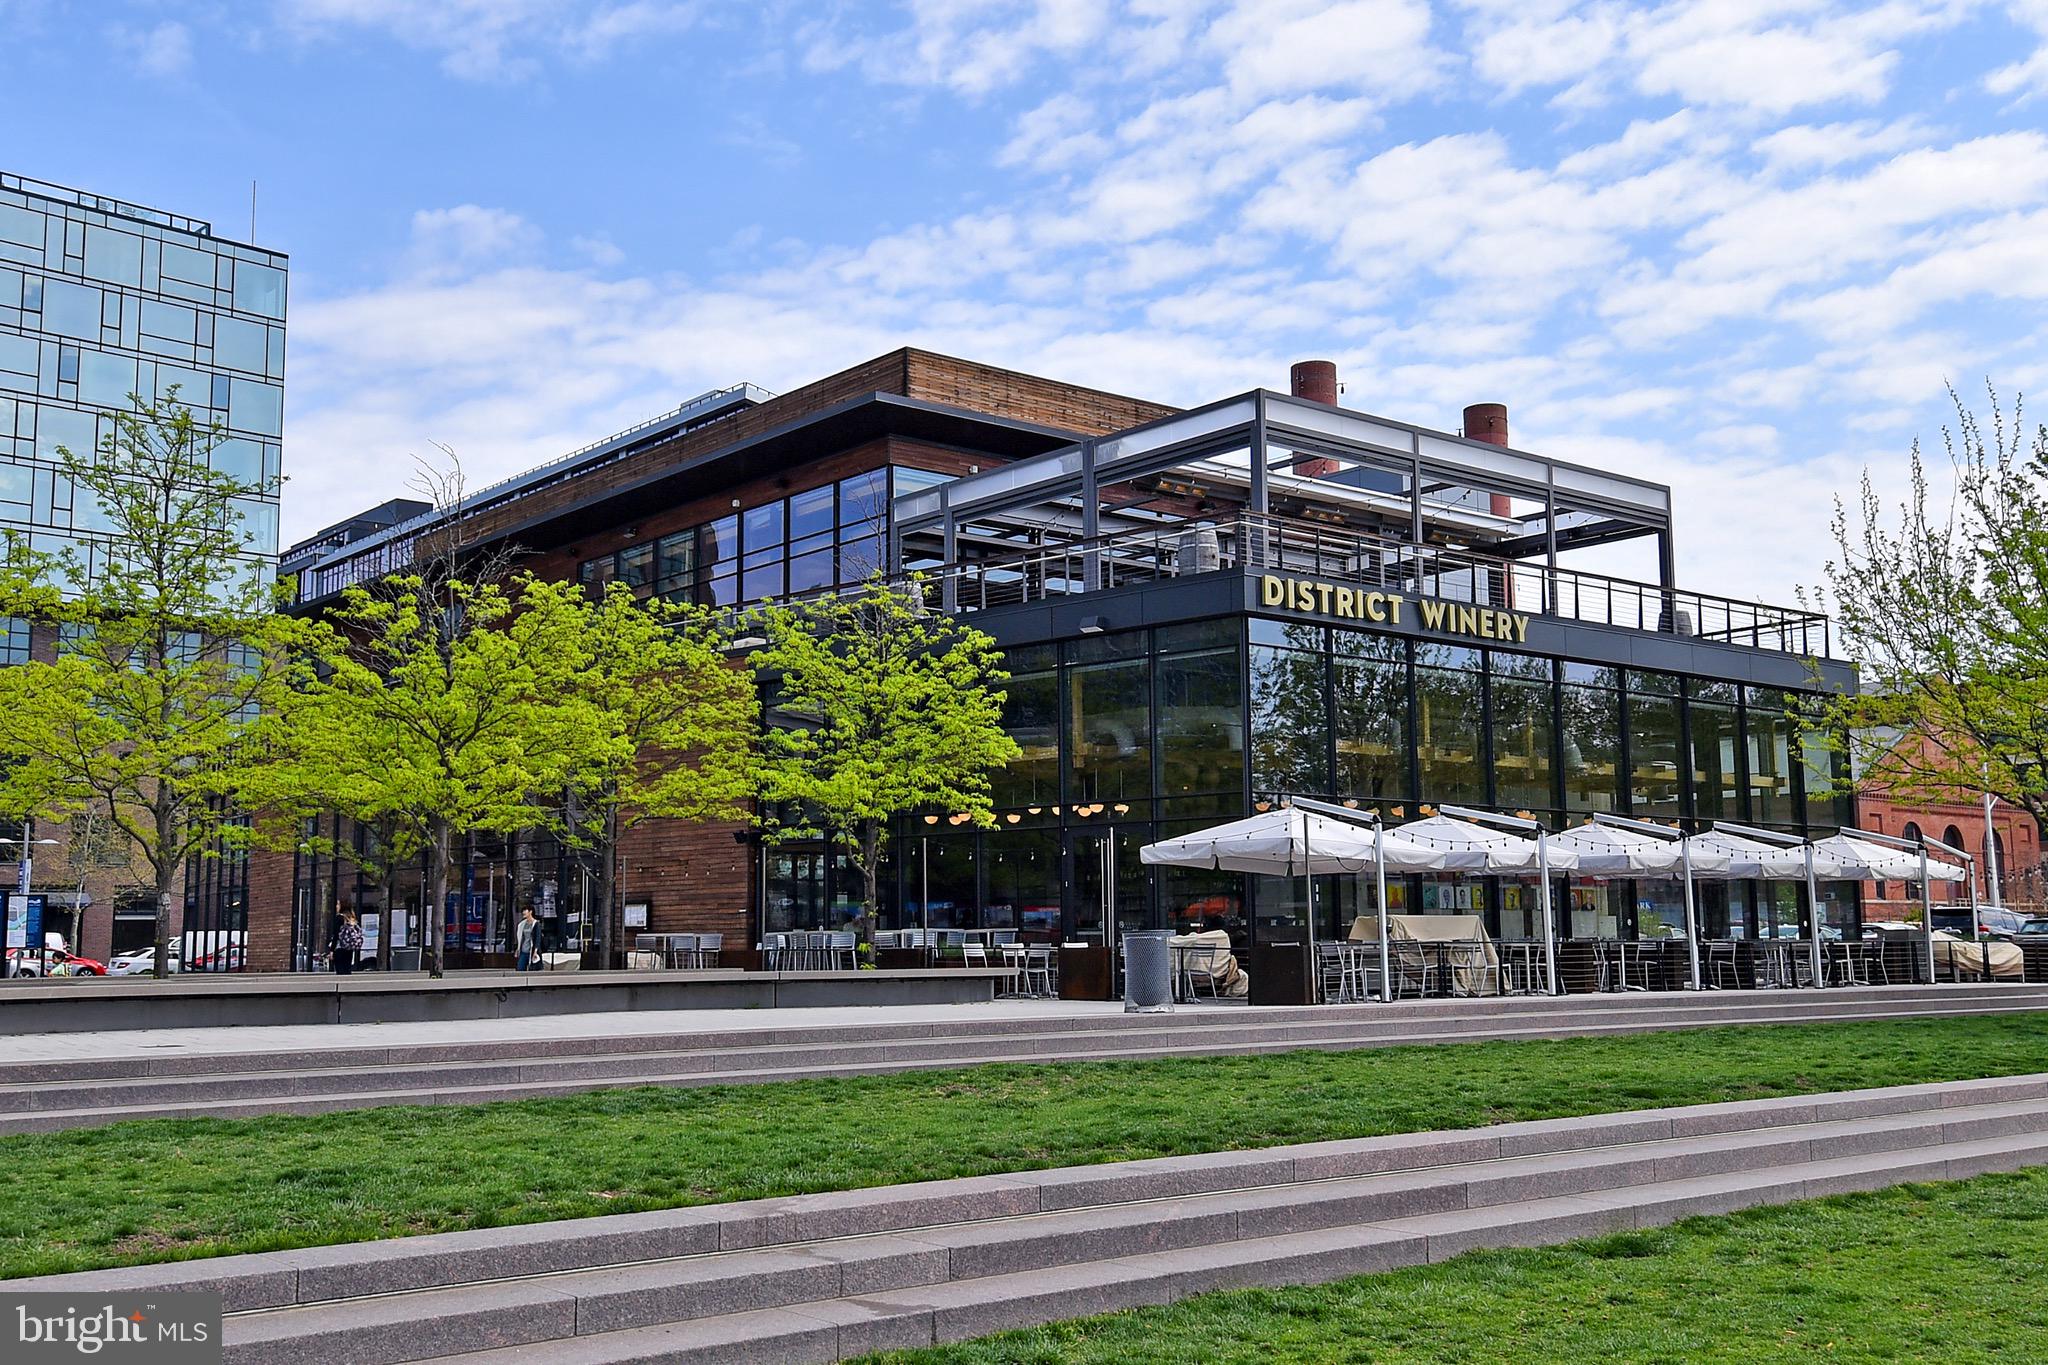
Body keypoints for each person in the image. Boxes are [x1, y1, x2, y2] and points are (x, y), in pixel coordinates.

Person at [332, 908, 363, 975]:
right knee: (347, 968)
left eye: (338, 904)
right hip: (349, 948)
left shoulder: (339, 918)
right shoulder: (352, 920)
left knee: (340, 969)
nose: (336, 907)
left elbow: (336, 936)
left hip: (340, 948)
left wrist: (332, 950)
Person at [515, 907, 542, 972]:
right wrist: (518, 948)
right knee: (520, 968)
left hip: (532, 950)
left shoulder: (536, 924)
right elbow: (520, 937)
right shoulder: (522, 924)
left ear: (530, 912)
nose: (523, 912)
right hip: (524, 950)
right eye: (523, 911)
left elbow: (538, 938)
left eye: (525, 911)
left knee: (532, 969)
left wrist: (535, 951)